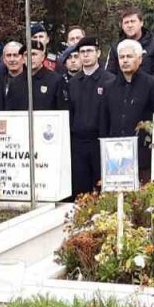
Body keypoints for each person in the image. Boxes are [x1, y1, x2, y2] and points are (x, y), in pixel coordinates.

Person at [101, 39, 154, 183]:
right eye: (122, 57)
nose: (125, 61)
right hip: (115, 157)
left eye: (129, 56)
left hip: (143, 156)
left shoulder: (153, 84)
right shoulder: (109, 87)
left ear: (139, 59)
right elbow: (104, 121)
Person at [66, 37, 114, 196]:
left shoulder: (110, 80)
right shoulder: (73, 83)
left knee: (102, 190)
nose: (85, 55)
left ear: (98, 53)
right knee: (81, 192)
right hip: (78, 144)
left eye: (89, 51)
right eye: (82, 52)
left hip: (100, 144)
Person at [0, 42, 63, 111]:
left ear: (43, 57)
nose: (30, 58)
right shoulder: (15, 83)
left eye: (34, 54)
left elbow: (63, 111)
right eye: (26, 55)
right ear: (23, 59)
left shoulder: (56, 80)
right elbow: (10, 112)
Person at [107, 8, 154, 76]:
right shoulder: (115, 47)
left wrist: (148, 85)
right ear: (122, 26)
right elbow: (109, 74)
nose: (129, 25)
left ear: (141, 23)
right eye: (126, 22)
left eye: (133, 21)